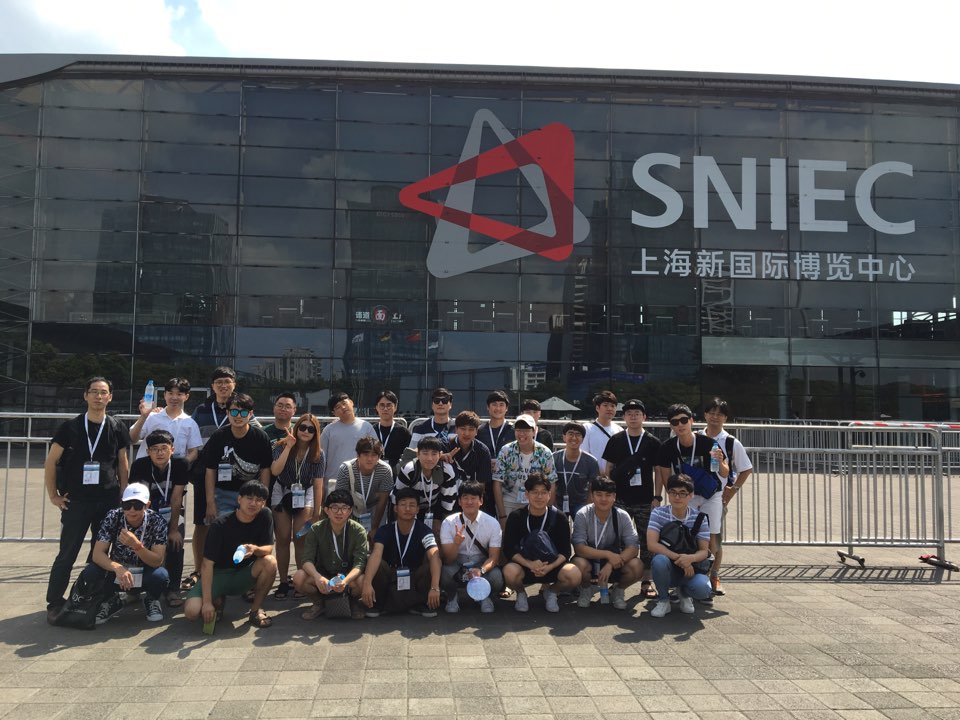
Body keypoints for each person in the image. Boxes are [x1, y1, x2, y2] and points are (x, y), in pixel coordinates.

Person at [45, 376, 131, 623]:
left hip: (108, 501)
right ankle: (54, 601)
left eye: (103, 392)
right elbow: (51, 461)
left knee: (101, 553)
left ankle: (94, 596)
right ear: (85, 396)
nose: (98, 396)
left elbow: (122, 462)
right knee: (67, 553)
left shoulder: (116, 426)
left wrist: (124, 494)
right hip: (77, 501)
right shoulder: (69, 427)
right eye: (94, 391)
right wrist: (53, 495)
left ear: (110, 397)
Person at [184, 480, 277, 630]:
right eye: (249, 498)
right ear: (239, 499)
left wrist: (255, 549)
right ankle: (216, 600)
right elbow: (207, 564)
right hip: (219, 574)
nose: (253, 503)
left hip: (245, 573)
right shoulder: (220, 524)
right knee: (192, 611)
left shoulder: (265, 515)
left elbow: (269, 548)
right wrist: (206, 603)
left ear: (264, 503)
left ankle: (255, 610)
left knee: (270, 562)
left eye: (259, 500)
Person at [655, 402, 728, 595]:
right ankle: (686, 577)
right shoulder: (668, 447)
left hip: (711, 494)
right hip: (688, 495)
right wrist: (672, 497)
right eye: (675, 422)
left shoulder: (707, 443)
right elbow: (664, 475)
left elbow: (725, 472)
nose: (680, 425)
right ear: (671, 425)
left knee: (712, 537)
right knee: (686, 536)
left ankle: (711, 576)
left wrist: (720, 461)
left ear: (692, 421)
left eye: (684, 420)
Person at [82, 483, 170, 625]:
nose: (132, 510)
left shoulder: (157, 521)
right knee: (91, 572)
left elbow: (157, 560)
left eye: (138, 505)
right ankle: (111, 600)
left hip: (144, 571)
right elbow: (97, 554)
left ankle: (151, 599)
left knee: (161, 576)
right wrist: (118, 568)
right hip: (118, 572)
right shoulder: (113, 516)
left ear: (147, 505)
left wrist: (136, 546)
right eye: (127, 505)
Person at [601, 398, 661, 599]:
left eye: (637, 413)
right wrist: (609, 494)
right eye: (629, 413)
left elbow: (659, 471)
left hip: (645, 499)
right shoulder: (616, 440)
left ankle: (646, 580)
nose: (633, 417)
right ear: (624, 417)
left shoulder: (652, 441)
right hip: (620, 499)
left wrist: (657, 497)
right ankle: (619, 580)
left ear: (644, 417)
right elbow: (608, 468)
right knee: (618, 540)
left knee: (647, 541)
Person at [186, 366, 239, 591]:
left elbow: (256, 430)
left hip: (233, 476)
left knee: (236, 524)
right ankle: (199, 570)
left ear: (234, 385)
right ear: (212, 386)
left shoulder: (240, 407)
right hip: (204, 473)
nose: (223, 386)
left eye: (227, 381)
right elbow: (190, 437)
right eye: (219, 382)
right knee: (202, 523)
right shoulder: (201, 410)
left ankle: (233, 570)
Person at [128, 430, 189, 607]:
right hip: (145, 514)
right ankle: (134, 590)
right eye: (155, 449)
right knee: (138, 546)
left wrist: (173, 529)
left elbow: (176, 498)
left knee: (175, 543)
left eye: (164, 448)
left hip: (172, 513)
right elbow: (136, 499)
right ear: (148, 451)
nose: (160, 453)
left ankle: (172, 589)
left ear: (172, 449)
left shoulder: (180, 464)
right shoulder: (139, 466)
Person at [699, 397, 753, 598]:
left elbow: (746, 469)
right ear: (705, 415)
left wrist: (733, 489)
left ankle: (714, 575)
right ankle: (695, 576)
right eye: (711, 413)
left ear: (725, 418)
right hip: (694, 495)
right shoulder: (696, 437)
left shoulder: (730, 442)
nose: (715, 417)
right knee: (694, 537)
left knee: (715, 538)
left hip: (717, 496)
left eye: (719, 414)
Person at [501, 473, 579, 612]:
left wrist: (550, 567)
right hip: (525, 566)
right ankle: (521, 593)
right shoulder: (516, 516)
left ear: (549, 495)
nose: (539, 497)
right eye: (535, 492)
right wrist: (529, 564)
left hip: (551, 566)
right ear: (527, 494)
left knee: (574, 574)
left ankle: (552, 592)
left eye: (543, 492)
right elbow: (509, 549)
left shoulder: (559, 517)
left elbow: (565, 551)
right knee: (509, 571)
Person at [269, 413, 325, 600]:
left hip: (305, 492)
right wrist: (288, 447)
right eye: (302, 427)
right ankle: (284, 581)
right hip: (282, 490)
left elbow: (318, 484)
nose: (306, 431)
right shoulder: (281, 445)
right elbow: (275, 471)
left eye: (311, 429)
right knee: (283, 538)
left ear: (316, 433)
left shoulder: (318, 453)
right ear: (296, 428)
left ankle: (300, 581)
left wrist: (316, 513)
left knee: (301, 538)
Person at [361, 487, 442, 618]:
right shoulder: (384, 530)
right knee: (377, 562)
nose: (407, 509)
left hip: (414, 574)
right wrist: (366, 583)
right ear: (395, 508)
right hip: (391, 574)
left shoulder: (424, 530)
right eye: (403, 504)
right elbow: (376, 554)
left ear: (417, 510)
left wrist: (435, 587)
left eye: (412, 505)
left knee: (433, 562)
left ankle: (421, 603)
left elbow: (434, 555)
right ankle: (378, 603)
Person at [293, 489, 369, 621]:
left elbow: (360, 563)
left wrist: (345, 581)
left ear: (350, 511)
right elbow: (306, 560)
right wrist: (318, 577)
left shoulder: (358, 530)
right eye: (334, 508)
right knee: (299, 577)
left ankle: (353, 603)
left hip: (347, 575)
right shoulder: (316, 529)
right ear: (326, 510)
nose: (339, 512)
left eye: (344, 508)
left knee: (363, 581)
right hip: (323, 574)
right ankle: (319, 604)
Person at [571, 476, 643, 610]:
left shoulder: (622, 515)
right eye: (599, 494)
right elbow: (579, 548)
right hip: (590, 560)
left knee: (637, 566)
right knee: (578, 564)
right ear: (592, 496)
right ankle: (586, 589)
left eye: (608, 495)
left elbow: (633, 547)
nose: (603, 499)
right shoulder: (582, 514)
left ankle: (618, 590)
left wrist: (610, 563)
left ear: (614, 497)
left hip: (615, 561)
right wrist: (607, 554)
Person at [646, 473, 713, 617]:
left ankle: (683, 593)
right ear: (668, 494)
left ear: (691, 495)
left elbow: (704, 551)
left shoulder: (700, 517)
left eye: (683, 493)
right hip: (668, 566)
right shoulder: (658, 513)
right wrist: (680, 559)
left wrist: (690, 559)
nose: (677, 497)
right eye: (673, 492)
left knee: (703, 589)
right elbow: (652, 544)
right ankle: (663, 600)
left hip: (691, 568)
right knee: (659, 560)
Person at [204, 393, 273, 523]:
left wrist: (263, 499)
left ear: (251, 414)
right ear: (227, 413)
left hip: (252, 495)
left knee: (250, 533)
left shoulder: (261, 437)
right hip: (223, 495)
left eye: (244, 412)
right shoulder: (218, 436)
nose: (239, 416)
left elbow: (265, 470)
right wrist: (210, 502)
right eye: (234, 412)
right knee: (225, 531)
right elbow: (210, 470)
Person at [438, 481, 504, 614]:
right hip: (457, 564)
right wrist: (456, 543)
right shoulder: (449, 523)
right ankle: (452, 597)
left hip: (480, 563)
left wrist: (481, 570)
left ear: (481, 501)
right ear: (459, 501)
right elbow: (448, 559)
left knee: (496, 577)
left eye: (473, 498)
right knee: (444, 572)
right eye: (465, 498)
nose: (469, 502)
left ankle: (484, 597)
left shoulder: (492, 523)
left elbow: (494, 557)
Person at [492, 414, 557, 526]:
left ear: (534, 431)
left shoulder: (545, 453)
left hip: (535, 503)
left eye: (526, 430)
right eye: (518, 430)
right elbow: (497, 483)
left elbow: (552, 483)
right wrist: (502, 515)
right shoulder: (506, 451)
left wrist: (547, 510)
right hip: (509, 502)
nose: (521, 434)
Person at [395, 436, 459, 536]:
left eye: (434, 454)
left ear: (440, 455)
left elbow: (448, 503)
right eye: (425, 453)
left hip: (434, 510)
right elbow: (397, 500)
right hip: (410, 509)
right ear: (418, 454)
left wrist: (440, 523)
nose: (429, 458)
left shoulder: (447, 471)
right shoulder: (409, 470)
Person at [129, 377, 202, 463]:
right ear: (165, 395)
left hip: (174, 469)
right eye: (170, 393)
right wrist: (143, 416)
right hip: (146, 468)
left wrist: (182, 464)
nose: (174, 397)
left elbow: (193, 452)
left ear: (186, 397)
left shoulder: (190, 423)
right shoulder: (151, 416)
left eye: (179, 394)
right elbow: (132, 439)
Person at [335, 436, 393, 537]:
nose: (370, 459)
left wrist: (375, 528)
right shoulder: (346, 469)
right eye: (366, 454)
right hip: (351, 507)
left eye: (374, 455)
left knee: (377, 537)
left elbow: (383, 501)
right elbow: (341, 499)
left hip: (375, 507)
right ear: (358, 455)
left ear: (379, 457)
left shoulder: (385, 470)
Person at [320, 391, 375, 492]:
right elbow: (321, 460)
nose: (343, 407)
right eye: (337, 407)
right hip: (334, 482)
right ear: (334, 413)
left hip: (361, 482)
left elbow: (375, 453)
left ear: (351, 402)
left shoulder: (366, 427)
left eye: (344, 403)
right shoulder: (328, 430)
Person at [552, 422, 600, 518]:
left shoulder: (591, 461)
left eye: (578, 434)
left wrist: (587, 508)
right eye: (570, 434)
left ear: (582, 439)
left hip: (581, 503)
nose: (574, 438)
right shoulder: (554, 458)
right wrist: (552, 504)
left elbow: (593, 487)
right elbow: (550, 484)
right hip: (558, 502)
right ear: (564, 437)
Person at [446, 410, 493, 502]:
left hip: (471, 499)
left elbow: (481, 484)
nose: (467, 433)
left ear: (476, 431)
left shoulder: (483, 451)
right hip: (448, 497)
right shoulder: (445, 446)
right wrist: (440, 457)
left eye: (471, 429)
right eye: (463, 429)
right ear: (456, 429)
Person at [372, 390, 411, 475]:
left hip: (397, 475)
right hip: (374, 474)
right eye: (382, 405)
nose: (385, 409)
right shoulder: (371, 430)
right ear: (377, 407)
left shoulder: (404, 432)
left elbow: (408, 457)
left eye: (389, 405)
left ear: (395, 407)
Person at [580, 390, 623, 461]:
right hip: (592, 468)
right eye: (605, 405)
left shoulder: (619, 430)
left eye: (613, 406)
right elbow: (583, 454)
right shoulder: (587, 428)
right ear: (597, 408)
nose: (609, 409)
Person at [476, 390, 515, 468]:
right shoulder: (479, 431)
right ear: (488, 407)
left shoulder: (514, 430)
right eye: (494, 404)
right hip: (485, 473)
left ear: (506, 408)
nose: (498, 408)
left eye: (501, 405)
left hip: (508, 473)